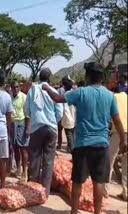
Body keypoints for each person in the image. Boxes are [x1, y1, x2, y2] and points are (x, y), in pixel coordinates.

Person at [42, 62, 127, 214]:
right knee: (99, 181)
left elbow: (57, 98)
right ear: (102, 78)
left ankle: (74, 211)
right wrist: (123, 140)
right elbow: (117, 120)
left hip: (82, 145)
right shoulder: (109, 95)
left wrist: (46, 87)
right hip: (102, 145)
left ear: (88, 76)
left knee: (77, 181)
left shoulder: (81, 93)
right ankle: (97, 212)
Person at [25, 68, 63, 196]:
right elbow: (60, 111)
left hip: (36, 128)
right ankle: (45, 190)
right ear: (49, 78)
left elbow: (27, 110)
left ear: (39, 77)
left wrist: (36, 117)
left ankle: (33, 188)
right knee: (48, 160)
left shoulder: (32, 90)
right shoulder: (53, 91)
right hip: (51, 129)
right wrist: (52, 121)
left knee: (35, 158)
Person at [104, 86, 128, 200]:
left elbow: (108, 117)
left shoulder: (113, 97)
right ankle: (126, 193)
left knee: (109, 160)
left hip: (119, 132)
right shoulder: (126, 98)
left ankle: (105, 191)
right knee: (126, 164)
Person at [10, 81, 30, 182]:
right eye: (14, 87)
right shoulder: (9, 97)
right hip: (12, 124)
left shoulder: (23, 97)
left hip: (21, 123)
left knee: (23, 148)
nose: (16, 89)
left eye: (17, 87)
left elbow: (28, 114)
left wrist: (27, 128)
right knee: (15, 147)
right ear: (11, 88)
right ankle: (18, 168)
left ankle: (25, 172)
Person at [60, 76, 76, 152]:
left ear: (64, 87)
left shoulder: (65, 96)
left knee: (70, 138)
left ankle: (73, 153)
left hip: (68, 120)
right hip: (74, 119)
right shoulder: (75, 94)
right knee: (73, 136)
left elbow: (64, 110)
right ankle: (69, 149)